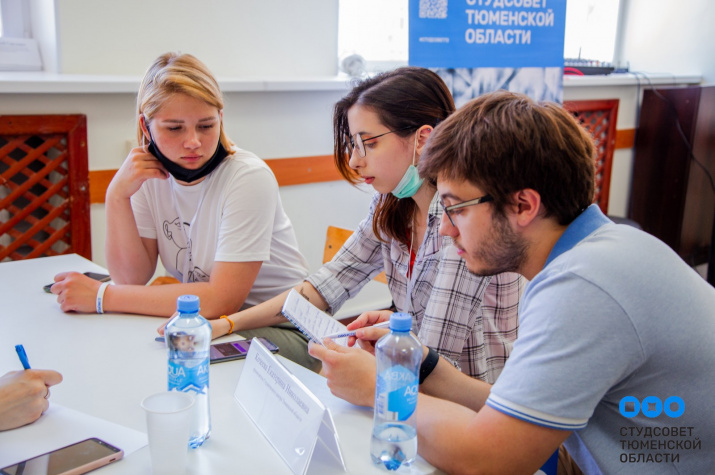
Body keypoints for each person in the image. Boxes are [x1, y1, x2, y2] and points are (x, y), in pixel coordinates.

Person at [309, 90, 715, 474]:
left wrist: (379, 388)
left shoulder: (582, 286)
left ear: (523, 205)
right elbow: (513, 405)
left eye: (455, 208)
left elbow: (489, 460)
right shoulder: (595, 253)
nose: (446, 229)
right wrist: (424, 363)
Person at [210, 67, 523, 379]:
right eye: (354, 144)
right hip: (413, 379)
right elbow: (327, 284)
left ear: (423, 140)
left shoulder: (462, 218)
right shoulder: (391, 204)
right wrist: (227, 324)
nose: (354, 161)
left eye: (369, 144)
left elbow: (433, 358)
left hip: (468, 394)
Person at [49, 53, 311, 364]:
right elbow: (130, 279)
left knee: (167, 361)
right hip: (210, 322)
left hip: (282, 327)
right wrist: (117, 195)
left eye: (206, 125)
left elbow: (221, 300)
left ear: (221, 118)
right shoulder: (147, 177)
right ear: (146, 126)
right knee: (138, 354)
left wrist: (101, 296)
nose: (193, 142)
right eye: (175, 128)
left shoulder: (248, 177)